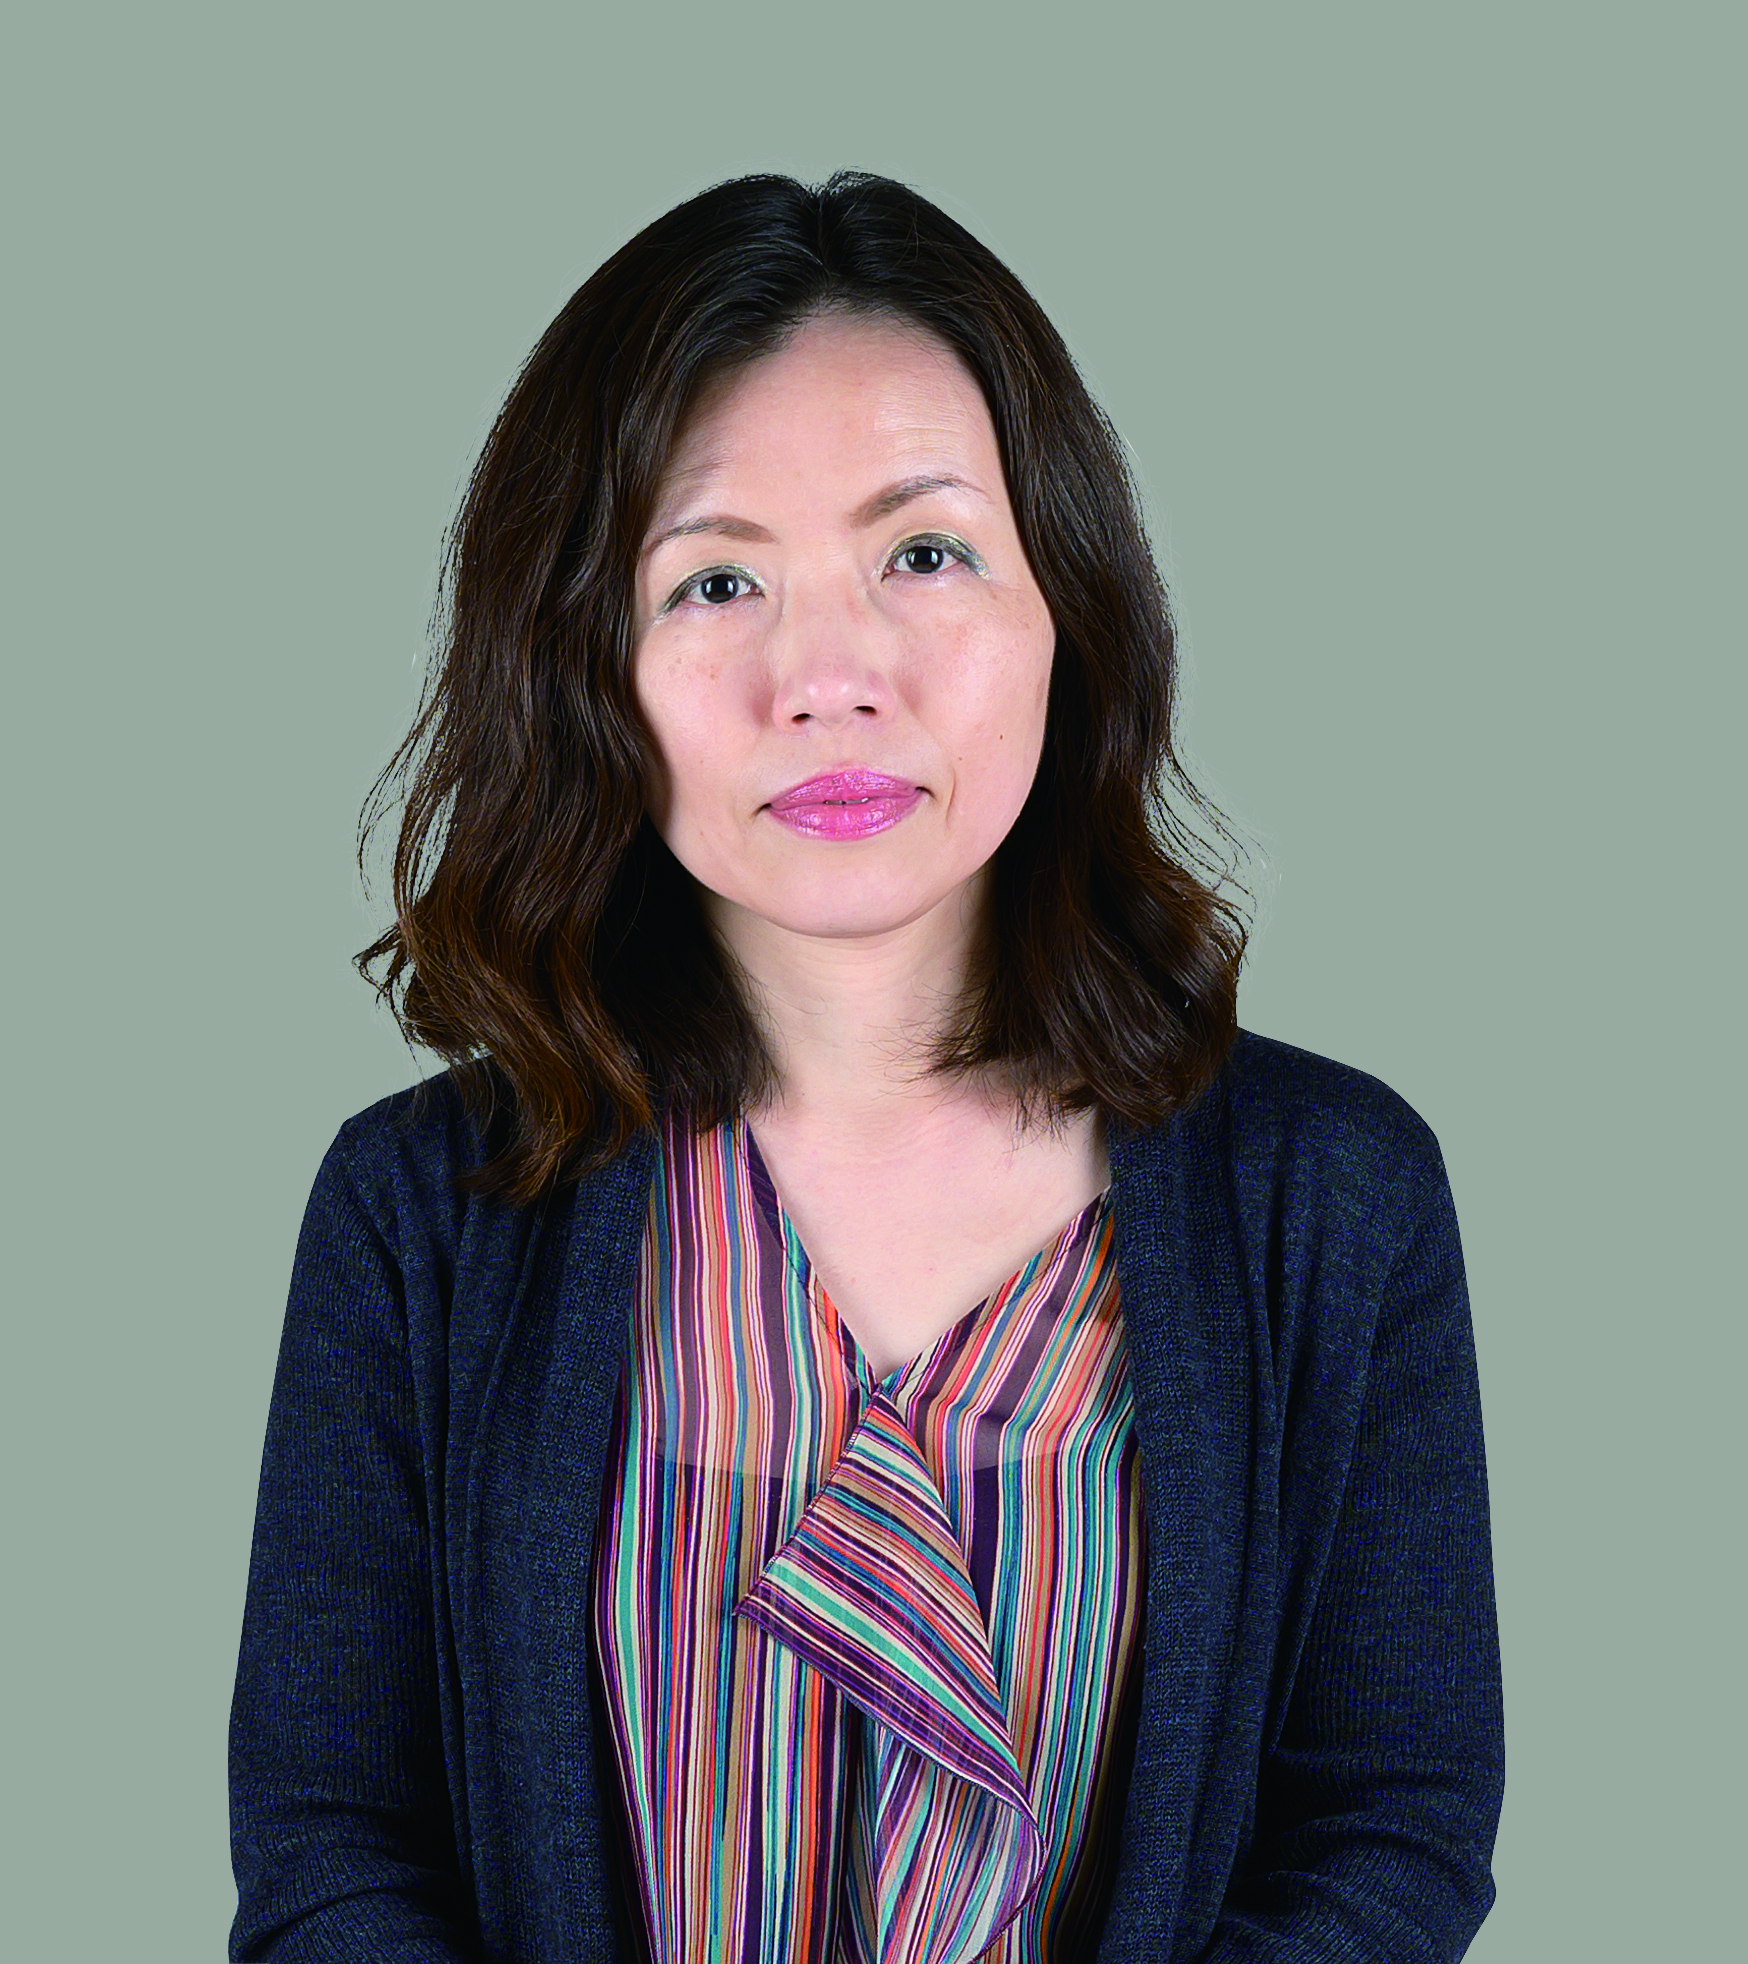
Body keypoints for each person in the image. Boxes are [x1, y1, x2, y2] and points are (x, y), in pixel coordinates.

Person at [228, 171, 1504, 1963]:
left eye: (923, 553)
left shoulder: (1335, 1195)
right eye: (715, 580)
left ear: (1067, 605)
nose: (826, 679)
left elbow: (1390, 1825)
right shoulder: (418, 1214)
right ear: (588, 666)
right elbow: (329, 1849)